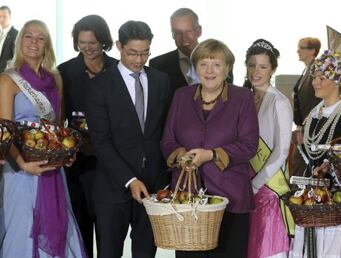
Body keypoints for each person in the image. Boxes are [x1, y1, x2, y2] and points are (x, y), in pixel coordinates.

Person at [161, 38, 259, 258]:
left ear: (227, 68)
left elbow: (249, 145)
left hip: (231, 200)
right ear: (196, 68)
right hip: (188, 199)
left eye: (216, 64)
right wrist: (181, 155)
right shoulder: (181, 96)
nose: (209, 70)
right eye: (203, 64)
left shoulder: (243, 98)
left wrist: (212, 155)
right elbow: (167, 140)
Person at [0, 19, 86, 258]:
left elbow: (56, 128)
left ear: (46, 44)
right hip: (20, 169)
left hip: (51, 167)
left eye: (40, 37)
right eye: (28, 36)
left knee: (59, 223)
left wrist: (66, 154)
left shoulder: (54, 80)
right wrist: (24, 164)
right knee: (23, 227)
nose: (33, 42)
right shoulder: (8, 80)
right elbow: (3, 132)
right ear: (20, 41)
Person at [85, 20, 170, 258]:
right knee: (109, 253)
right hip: (112, 187)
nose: (139, 60)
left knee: (146, 252)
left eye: (145, 53)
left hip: (153, 185)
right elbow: (100, 142)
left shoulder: (160, 80)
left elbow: (162, 131)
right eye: (133, 52)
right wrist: (130, 180)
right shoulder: (99, 86)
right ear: (119, 46)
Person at [289, 49, 341, 258]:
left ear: (338, 81)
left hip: (333, 199)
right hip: (311, 196)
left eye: (322, 78)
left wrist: (330, 165)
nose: (315, 83)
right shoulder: (315, 113)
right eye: (315, 77)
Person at [58, 14, 117, 258]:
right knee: (80, 228)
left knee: (109, 229)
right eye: (82, 42)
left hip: (112, 161)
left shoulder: (117, 69)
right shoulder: (64, 71)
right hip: (78, 161)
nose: (88, 48)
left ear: (103, 41)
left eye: (93, 42)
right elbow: (59, 118)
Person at [243, 39, 292, 258]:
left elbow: (282, 151)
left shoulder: (279, 102)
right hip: (244, 184)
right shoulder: (244, 98)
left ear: (272, 69)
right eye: (252, 65)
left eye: (263, 66)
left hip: (268, 186)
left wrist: (256, 184)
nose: (256, 71)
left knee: (267, 248)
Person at [149, 7, 232, 94]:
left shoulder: (222, 58)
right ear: (172, 34)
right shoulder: (157, 65)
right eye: (177, 33)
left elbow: (229, 95)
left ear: (199, 31)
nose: (184, 38)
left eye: (188, 31)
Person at [291, 37, 321, 177]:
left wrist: (306, 128)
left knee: (300, 168)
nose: (298, 51)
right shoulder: (306, 71)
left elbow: (317, 102)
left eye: (301, 47)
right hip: (303, 128)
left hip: (312, 130)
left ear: (313, 51)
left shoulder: (315, 72)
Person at [0, 6, 18, 72]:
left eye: (4, 16)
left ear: (10, 17)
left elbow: (16, 57)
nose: (1, 19)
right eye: (0, 16)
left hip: (5, 73)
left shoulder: (16, 34)